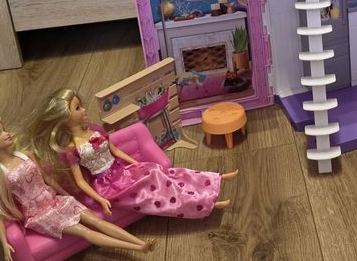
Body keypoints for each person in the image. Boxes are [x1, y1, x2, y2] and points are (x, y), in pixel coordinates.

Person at [0, 119, 154, 261]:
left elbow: (47, 179)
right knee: (85, 232)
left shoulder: (24, 154)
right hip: (40, 214)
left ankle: (140, 243)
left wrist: (66, 194)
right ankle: (135, 249)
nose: (6, 134)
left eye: (3, 129)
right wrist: (4, 242)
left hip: (55, 200)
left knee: (96, 221)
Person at [24, 89, 237, 220]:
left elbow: (115, 151)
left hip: (122, 171)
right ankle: (204, 203)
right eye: (78, 107)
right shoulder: (71, 149)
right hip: (108, 186)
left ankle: (212, 180)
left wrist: (135, 163)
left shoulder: (96, 130)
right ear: (65, 116)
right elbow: (80, 181)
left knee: (157, 171)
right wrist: (100, 199)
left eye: (81, 105)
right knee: (155, 188)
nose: (84, 110)